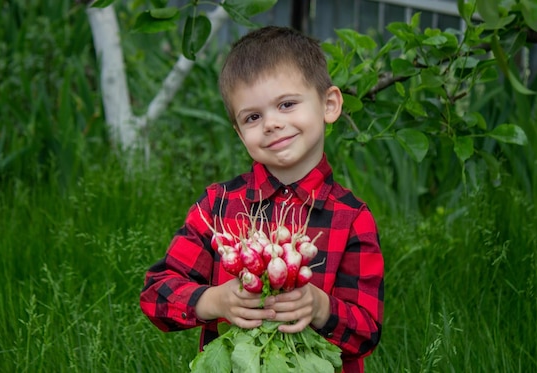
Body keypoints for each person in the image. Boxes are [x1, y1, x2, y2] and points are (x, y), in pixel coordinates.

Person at [139, 25, 384, 373]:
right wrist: (213, 301)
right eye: (253, 117)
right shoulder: (218, 206)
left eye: (286, 104)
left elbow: (367, 332)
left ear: (329, 105)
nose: (271, 123)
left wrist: (320, 308)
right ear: (240, 134)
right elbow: (155, 294)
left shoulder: (352, 218)